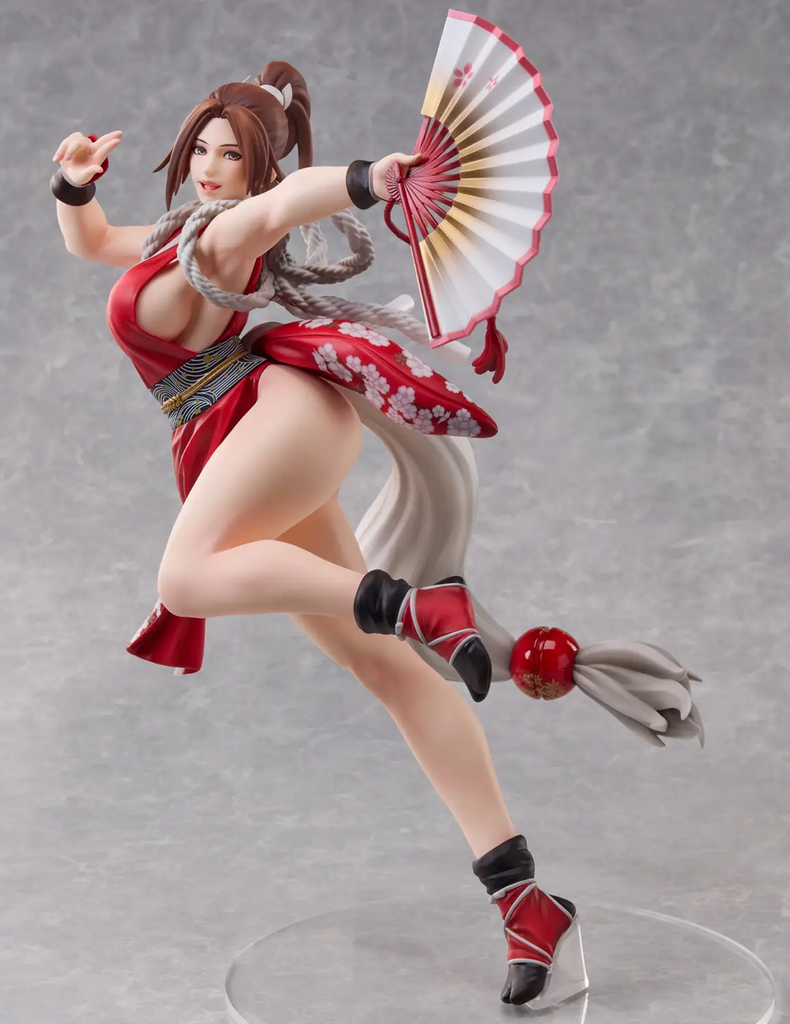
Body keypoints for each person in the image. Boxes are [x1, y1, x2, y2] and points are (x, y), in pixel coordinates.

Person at [51, 60, 702, 1009]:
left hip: (272, 421)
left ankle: (411, 603)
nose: (209, 167)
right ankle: (526, 902)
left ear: (257, 171)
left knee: (186, 578)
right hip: (250, 441)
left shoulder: (231, 230)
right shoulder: (181, 236)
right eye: (201, 150)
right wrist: (74, 183)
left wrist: (368, 179)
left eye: (231, 157)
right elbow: (92, 241)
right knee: (388, 671)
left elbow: (289, 205)